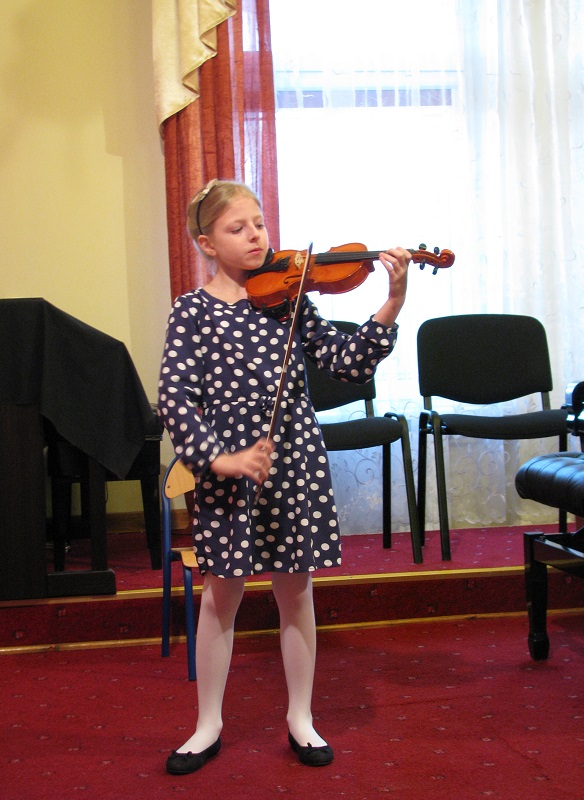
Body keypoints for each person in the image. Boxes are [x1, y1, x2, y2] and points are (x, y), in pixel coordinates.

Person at [158, 178, 410, 775]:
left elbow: (346, 363)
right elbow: (174, 396)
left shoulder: (289, 301)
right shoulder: (193, 311)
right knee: (222, 594)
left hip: (293, 458)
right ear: (207, 243)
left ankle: (301, 717)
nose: (256, 236)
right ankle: (208, 723)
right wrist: (219, 459)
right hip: (227, 468)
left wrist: (393, 301)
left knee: (296, 590)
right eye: (237, 228)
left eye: (260, 223)